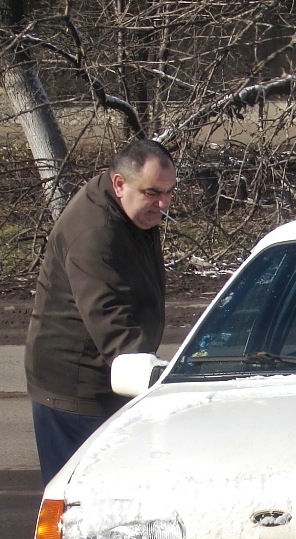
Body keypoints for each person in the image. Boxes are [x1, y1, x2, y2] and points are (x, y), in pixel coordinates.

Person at [24, 139, 177, 484]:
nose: (163, 203)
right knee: (81, 499)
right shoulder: (95, 234)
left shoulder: (128, 208)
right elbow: (111, 319)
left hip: (109, 377)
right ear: (120, 183)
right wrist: (154, 380)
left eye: (169, 192)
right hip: (76, 388)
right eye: (153, 192)